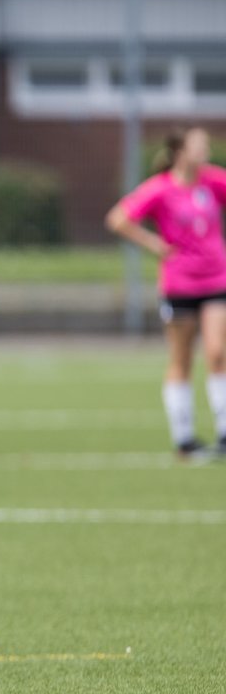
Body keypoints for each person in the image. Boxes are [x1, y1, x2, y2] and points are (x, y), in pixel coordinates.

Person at [107, 126, 226, 459]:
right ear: (179, 152)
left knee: (218, 353)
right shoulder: (159, 189)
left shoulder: (213, 181)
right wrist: (153, 244)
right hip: (179, 283)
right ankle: (184, 439)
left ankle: (224, 433)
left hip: (217, 280)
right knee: (182, 358)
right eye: (198, 145)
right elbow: (118, 219)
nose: (206, 150)